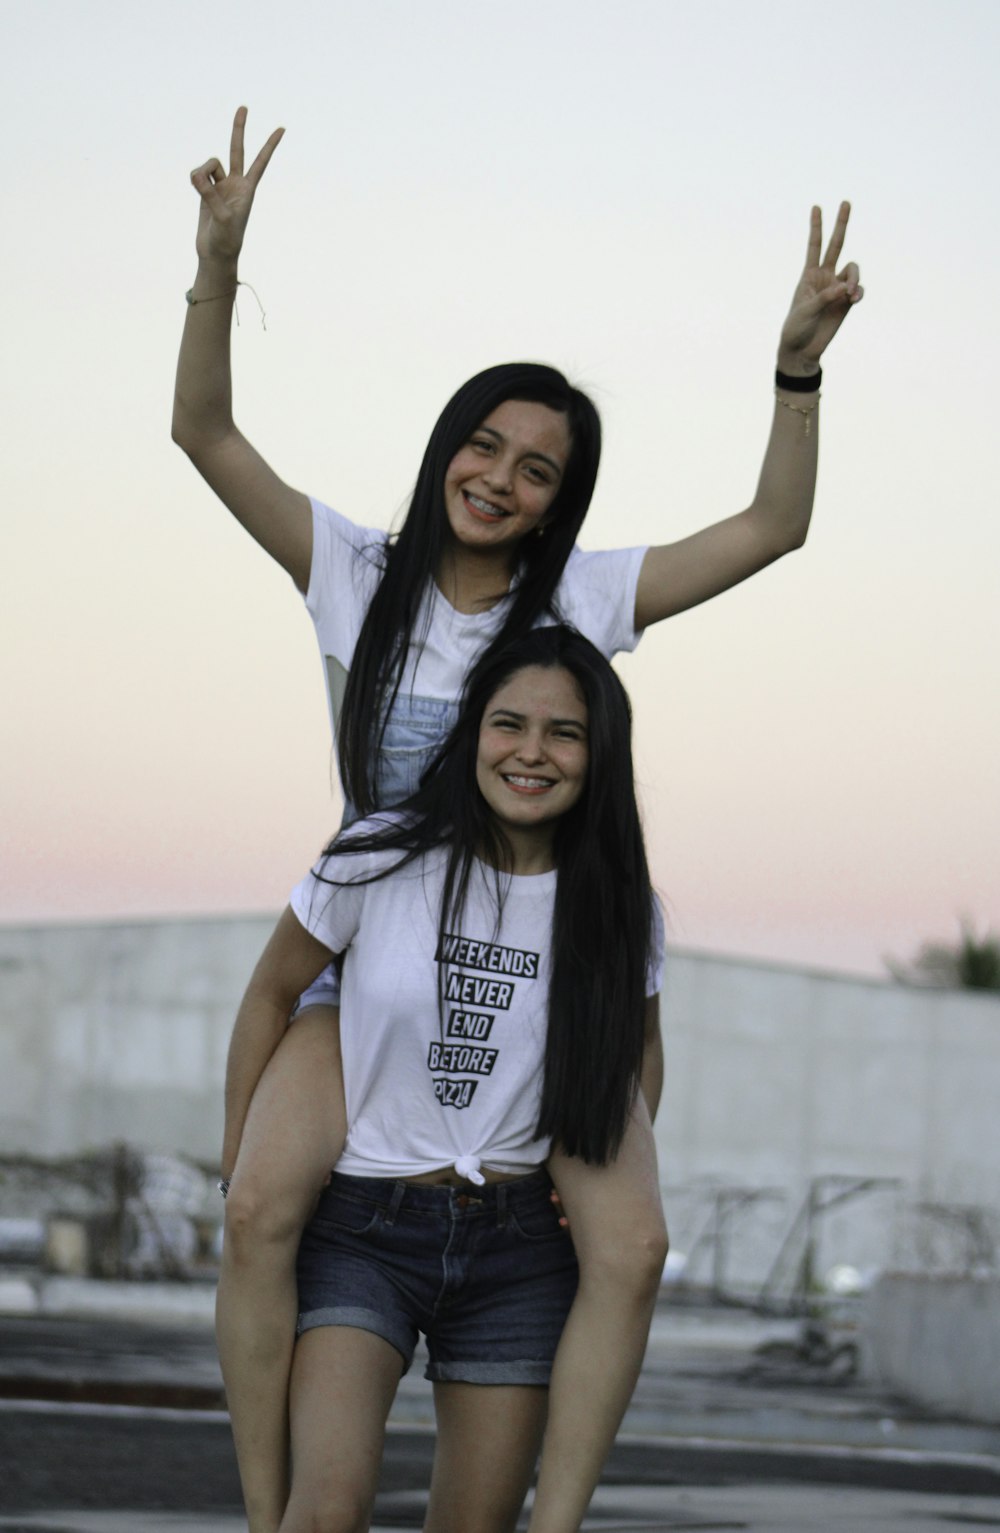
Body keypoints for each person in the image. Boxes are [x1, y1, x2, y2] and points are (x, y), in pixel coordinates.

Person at [171, 107, 862, 1532]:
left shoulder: (576, 609)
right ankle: (267, 1509)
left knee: (630, 1240)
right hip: (378, 956)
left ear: (560, 501)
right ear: (447, 450)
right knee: (254, 1211)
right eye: (483, 444)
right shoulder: (355, 569)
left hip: (534, 977)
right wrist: (219, 267)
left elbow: (770, 530)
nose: (499, 474)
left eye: (536, 466)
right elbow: (204, 430)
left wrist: (794, 373)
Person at [239, 626, 664, 1533]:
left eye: (565, 733)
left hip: (517, 1252)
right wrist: (238, 1147)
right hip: (366, 1226)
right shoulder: (377, 855)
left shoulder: (618, 898)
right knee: (324, 1512)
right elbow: (272, 992)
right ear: (473, 729)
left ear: (600, 754)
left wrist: (594, 1187)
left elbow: (638, 1048)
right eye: (509, 723)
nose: (531, 752)